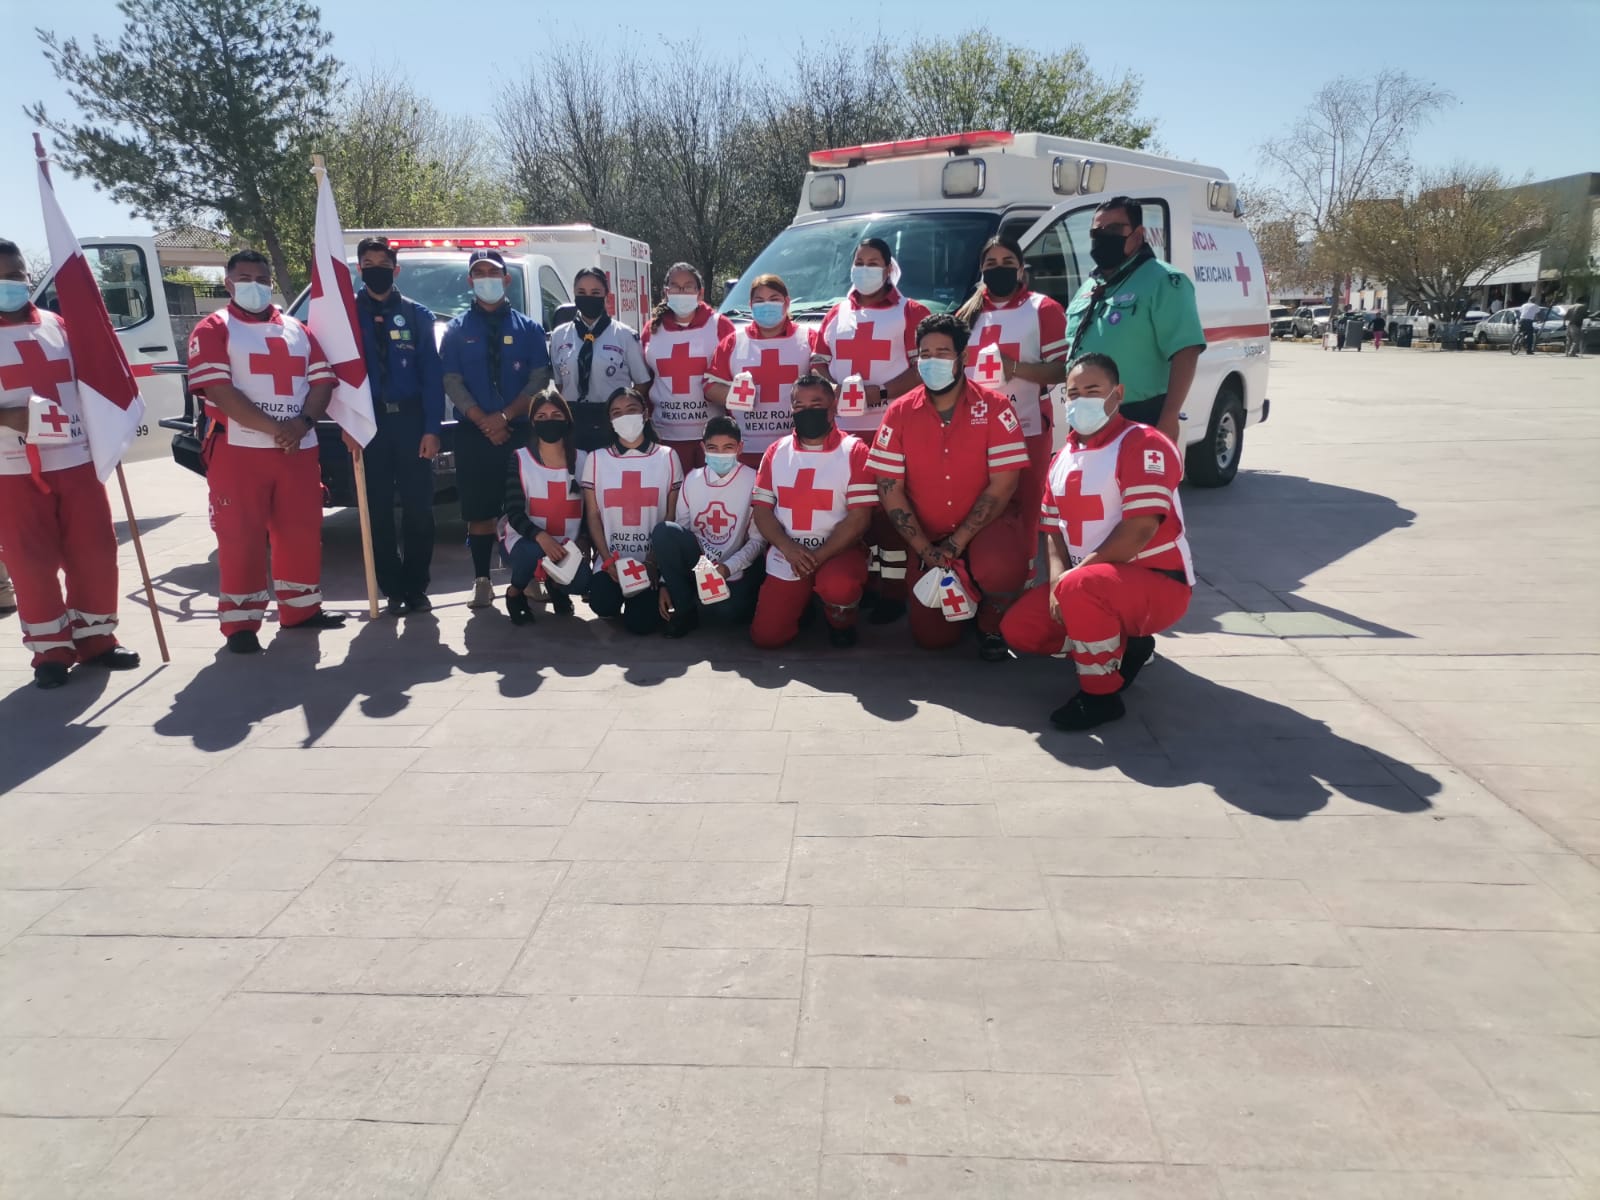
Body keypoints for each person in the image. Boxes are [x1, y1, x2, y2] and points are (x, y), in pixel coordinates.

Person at [1001, 354, 1194, 732]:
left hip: (1156, 583)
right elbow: (1052, 530)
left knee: (1081, 588)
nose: (1081, 400)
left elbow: (1139, 530)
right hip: (1089, 583)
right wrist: (1058, 580)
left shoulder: (1142, 443)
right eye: (1073, 393)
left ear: (1117, 394)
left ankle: (1100, 697)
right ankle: (1127, 646)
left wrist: (1073, 582)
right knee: (1019, 629)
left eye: (1093, 390)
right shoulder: (1063, 458)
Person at [187, 249, 345, 654]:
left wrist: (301, 425)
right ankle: (241, 623)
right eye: (244, 278)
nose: (253, 285)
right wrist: (278, 429)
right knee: (241, 537)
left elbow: (323, 382)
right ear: (228, 283)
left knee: (301, 531)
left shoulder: (298, 329)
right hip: (238, 452)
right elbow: (220, 391)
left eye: (261, 278)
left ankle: (302, 609)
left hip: (299, 449)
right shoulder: (212, 328)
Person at [0, 237, 139, 687]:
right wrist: (9, 416)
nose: (11, 283)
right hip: (12, 468)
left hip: (77, 459)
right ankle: (51, 652)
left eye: (16, 274)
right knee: (32, 563)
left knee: (96, 554)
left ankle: (97, 640)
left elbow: (95, 381)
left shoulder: (61, 325)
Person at [869, 313, 1032, 661]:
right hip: (927, 536)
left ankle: (990, 623)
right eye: (925, 354)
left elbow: (1004, 485)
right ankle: (963, 591)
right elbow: (889, 488)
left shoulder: (995, 407)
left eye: (942, 352)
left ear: (963, 358)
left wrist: (958, 543)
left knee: (1001, 567)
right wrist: (925, 549)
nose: (932, 361)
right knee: (933, 639)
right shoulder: (899, 412)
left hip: (987, 531)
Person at [813, 238, 930, 623]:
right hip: (844, 435)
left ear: (888, 268)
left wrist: (879, 392)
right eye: (859, 262)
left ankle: (894, 593)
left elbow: (921, 369)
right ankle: (866, 584)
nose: (864, 268)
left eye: (873, 262)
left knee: (890, 515)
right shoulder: (836, 313)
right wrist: (829, 387)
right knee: (855, 514)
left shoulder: (909, 312)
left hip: (890, 430)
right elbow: (818, 362)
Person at [440, 248, 551, 609]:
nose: (487, 278)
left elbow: (538, 378)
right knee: (479, 511)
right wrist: (484, 419)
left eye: (494, 272)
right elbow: (452, 381)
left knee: (523, 508)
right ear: (471, 280)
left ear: (506, 279)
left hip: (519, 430)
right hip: (474, 432)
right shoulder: (457, 329)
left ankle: (528, 578)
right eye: (479, 273)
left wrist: (503, 417)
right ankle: (482, 580)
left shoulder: (529, 328)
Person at [1063, 197, 1205, 450]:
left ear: (1138, 235)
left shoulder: (1163, 281)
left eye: (1114, 230)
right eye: (1097, 232)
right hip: (1086, 419)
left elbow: (1186, 350)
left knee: (1141, 489)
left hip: (1140, 417)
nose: (1103, 237)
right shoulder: (1089, 287)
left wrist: (1169, 416)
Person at [955, 233, 1070, 540]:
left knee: (1027, 509)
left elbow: (1063, 370)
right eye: (991, 263)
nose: (999, 268)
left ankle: (1027, 573)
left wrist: (1015, 368)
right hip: (976, 427)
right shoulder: (965, 315)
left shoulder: (1043, 309)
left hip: (1027, 426)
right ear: (982, 270)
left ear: (1021, 269)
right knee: (979, 507)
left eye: (1008, 262)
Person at [352, 236, 444, 615]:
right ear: (359, 268)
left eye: (383, 264)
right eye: (368, 263)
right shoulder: (345, 316)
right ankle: (390, 587)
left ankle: (416, 586)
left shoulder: (418, 314)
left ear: (396, 269)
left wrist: (432, 428)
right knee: (375, 510)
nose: (376, 270)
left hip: (409, 421)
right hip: (366, 421)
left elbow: (432, 377)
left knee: (419, 509)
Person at [749, 373, 875, 649]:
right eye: (799, 406)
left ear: (833, 408)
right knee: (767, 638)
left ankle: (840, 621)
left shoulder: (854, 451)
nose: (807, 412)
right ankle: (802, 603)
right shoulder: (776, 451)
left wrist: (818, 557)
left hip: (838, 552)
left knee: (839, 586)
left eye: (816, 405)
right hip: (788, 553)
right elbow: (761, 510)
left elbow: (859, 518)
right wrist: (788, 547)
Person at [651, 415, 767, 637]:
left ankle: (705, 599)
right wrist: (666, 582)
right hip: (700, 563)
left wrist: (726, 568)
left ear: (740, 447)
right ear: (703, 447)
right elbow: (679, 534)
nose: (720, 454)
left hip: (733, 567)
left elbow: (758, 541)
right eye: (713, 448)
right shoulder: (692, 479)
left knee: (729, 614)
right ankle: (685, 611)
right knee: (664, 531)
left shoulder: (754, 481)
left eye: (728, 447)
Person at [582, 388, 682, 634]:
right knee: (603, 604)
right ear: (610, 421)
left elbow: (672, 516)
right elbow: (593, 516)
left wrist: (652, 562)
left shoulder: (668, 456)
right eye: (616, 413)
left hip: (650, 563)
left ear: (645, 414)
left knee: (642, 625)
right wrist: (606, 561)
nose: (624, 417)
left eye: (631, 410)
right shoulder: (596, 459)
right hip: (613, 561)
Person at [498, 389, 591, 625]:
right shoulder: (520, 459)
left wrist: (583, 541)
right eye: (541, 416)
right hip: (526, 541)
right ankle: (515, 593)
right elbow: (514, 512)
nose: (549, 421)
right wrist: (541, 537)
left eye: (556, 415)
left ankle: (556, 585)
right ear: (532, 423)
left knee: (582, 582)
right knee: (532, 552)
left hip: (567, 545)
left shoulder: (584, 460)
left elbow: (591, 512)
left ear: (567, 420)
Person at [705, 274, 817, 467]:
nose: (767, 305)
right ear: (750, 305)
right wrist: (734, 395)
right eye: (759, 300)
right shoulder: (734, 341)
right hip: (745, 450)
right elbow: (710, 386)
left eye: (774, 299)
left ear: (787, 302)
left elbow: (822, 385)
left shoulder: (808, 338)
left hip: (796, 449)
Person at [641, 262, 736, 471]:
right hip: (665, 436)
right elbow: (645, 380)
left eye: (688, 286)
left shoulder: (719, 325)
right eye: (674, 286)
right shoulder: (652, 329)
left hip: (713, 438)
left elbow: (732, 377)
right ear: (666, 292)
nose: (681, 291)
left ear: (700, 292)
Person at [551, 267, 651, 452]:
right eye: (581, 292)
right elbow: (559, 383)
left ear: (606, 295)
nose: (588, 297)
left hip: (610, 419)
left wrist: (623, 413)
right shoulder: (559, 336)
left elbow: (641, 383)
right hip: (574, 419)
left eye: (595, 292)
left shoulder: (624, 335)